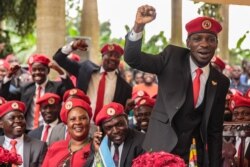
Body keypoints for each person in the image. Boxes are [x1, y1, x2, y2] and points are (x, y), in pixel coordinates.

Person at [124, 5, 230, 166]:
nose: (204, 44)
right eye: (197, 39)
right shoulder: (171, 57)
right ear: (188, 43)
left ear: (216, 44)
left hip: (194, 154)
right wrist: (139, 26)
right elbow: (133, 59)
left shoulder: (220, 81)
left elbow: (214, 130)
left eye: (210, 39)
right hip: (159, 149)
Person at [53, 42, 132, 123]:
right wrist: (72, 46)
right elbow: (58, 58)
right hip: (81, 124)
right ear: (103, 56)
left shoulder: (125, 87)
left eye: (117, 56)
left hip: (106, 129)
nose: (113, 58)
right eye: (110, 55)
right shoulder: (85, 69)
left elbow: (122, 113)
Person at [0, 54, 73, 131]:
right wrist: (9, 75)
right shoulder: (26, 88)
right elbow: (5, 96)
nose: (37, 72)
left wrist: (60, 71)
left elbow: (71, 91)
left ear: (47, 71)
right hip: (28, 131)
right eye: (34, 70)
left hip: (50, 130)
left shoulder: (57, 87)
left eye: (41, 69)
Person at [86, 102, 145, 167]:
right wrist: (98, 153)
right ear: (102, 129)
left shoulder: (142, 141)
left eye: (119, 124)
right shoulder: (99, 142)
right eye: (109, 128)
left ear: (127, 120)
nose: (116, 131)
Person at [42, 97, 92, 167]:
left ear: (89, 122)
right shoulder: (55, 147)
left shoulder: (95, 149)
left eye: (83, 118)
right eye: (72, 119)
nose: (77, 122)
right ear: (67, 124)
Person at [0, 100, 47, 167]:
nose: (18, 121)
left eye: (21, 117)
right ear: (1, 124)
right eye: (12, 118)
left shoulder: (39, 146)